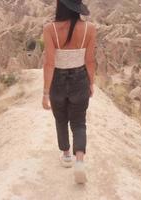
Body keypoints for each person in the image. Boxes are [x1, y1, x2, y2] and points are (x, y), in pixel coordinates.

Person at [42, 0, 96, 184]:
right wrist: (91, 83)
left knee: (61, 120)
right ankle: (79, 162)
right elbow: (90, 60)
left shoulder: (50, 29)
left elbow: (49, 63)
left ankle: (66, 156)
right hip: (80, 79)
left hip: (57, 80)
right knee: (79, 123)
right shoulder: (90, 28)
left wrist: (45, 93)